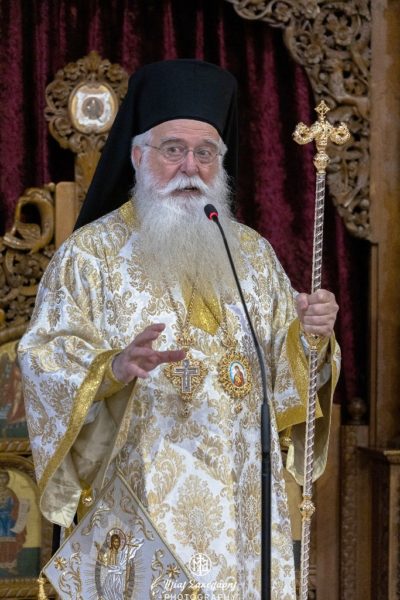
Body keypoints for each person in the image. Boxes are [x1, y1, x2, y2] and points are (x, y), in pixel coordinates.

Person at [18, 60, 340, 599]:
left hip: (244, 519)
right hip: (139, 517)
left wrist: (311, 336)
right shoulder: (89, 257)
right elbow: (43, 357)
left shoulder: (254, 256)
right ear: (138, 155)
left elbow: (286, 388)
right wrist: (113, 368)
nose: (190, 166)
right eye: (173, 149)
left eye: (205, 152)